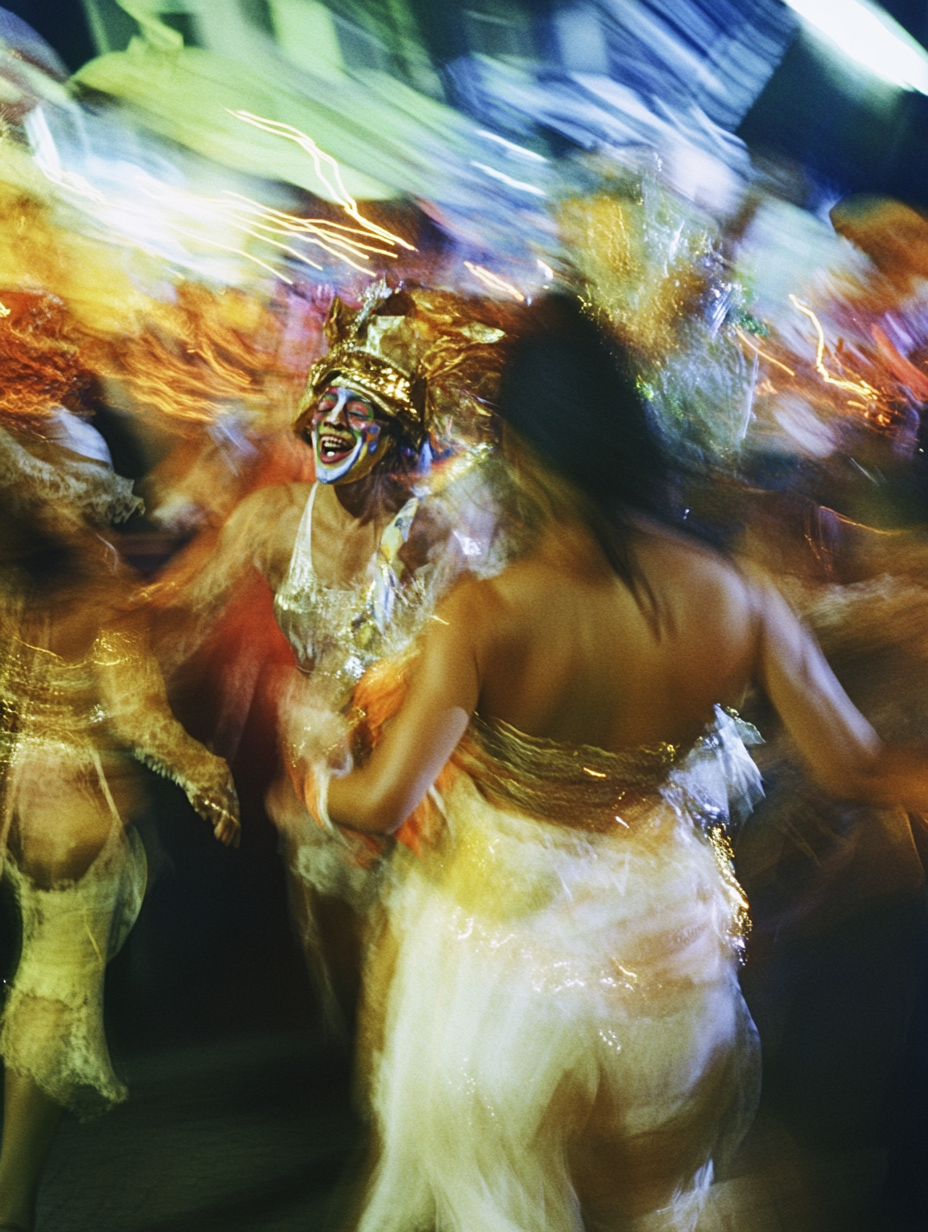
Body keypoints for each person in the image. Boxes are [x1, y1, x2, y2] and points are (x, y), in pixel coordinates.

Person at [311, 295, 928, 1232]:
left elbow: (380, 803)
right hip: (663, 972)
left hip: (500, 979)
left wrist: (316, 783)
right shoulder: (738, 598)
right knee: (644, 1208)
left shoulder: (485, 615)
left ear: (519, 448)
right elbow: (860, 768)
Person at [154, 282, 512, 1026]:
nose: (334, 425)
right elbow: (179, 621)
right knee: (343, 974)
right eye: (328, 406)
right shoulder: (271, 521)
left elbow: (494, 643)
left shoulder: (434, 532)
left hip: (419, 766)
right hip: (316, 757)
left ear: (399, 431)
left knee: (413, 972)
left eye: (361, 412)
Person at [0, 434, 239, 1232]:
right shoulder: (101, 607)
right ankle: (12, 1200)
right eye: (85, 514)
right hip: (81, 833)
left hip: (27, 829)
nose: (100, 526)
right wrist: (210, 779)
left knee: (44, 990)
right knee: (50, 1017)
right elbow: (143, 721)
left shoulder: (15, 603)